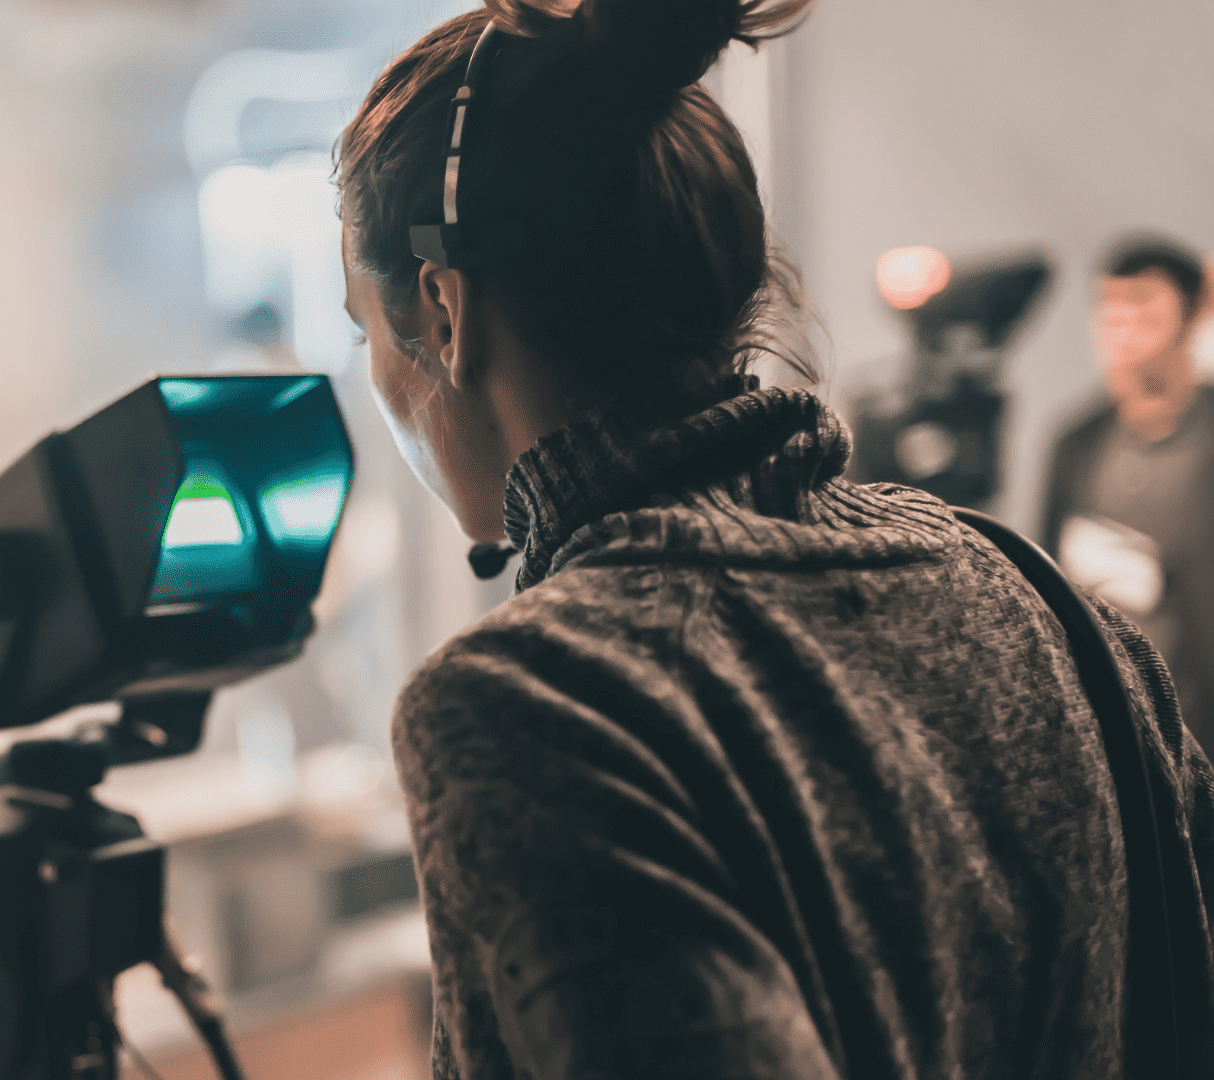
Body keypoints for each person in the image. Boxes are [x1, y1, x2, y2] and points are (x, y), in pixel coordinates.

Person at [336, 1, 1214, 1077]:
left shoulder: (537, 702)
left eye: (362, 327)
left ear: (443, 310)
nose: (376, 372)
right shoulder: (1038, 597)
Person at [1045, 235, 1214, 751]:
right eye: (1110, 310)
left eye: (1143, 310)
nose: (1122, 331)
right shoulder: (1077, 442)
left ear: (1189, 320)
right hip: (1105, 726)